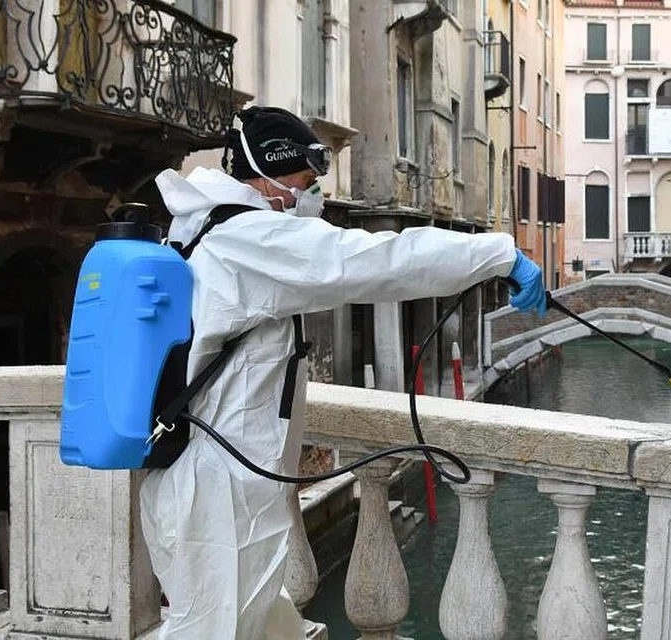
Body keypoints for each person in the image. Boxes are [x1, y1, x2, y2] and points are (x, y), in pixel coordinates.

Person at [138, 106, 548, 639]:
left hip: (224, 484)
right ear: (270, 175)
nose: (315, 197)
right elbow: (377, 261)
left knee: (250, 624)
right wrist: (498, 255)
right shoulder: (250, 239)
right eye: (307, 182)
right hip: (214, 492)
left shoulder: (210, 228)